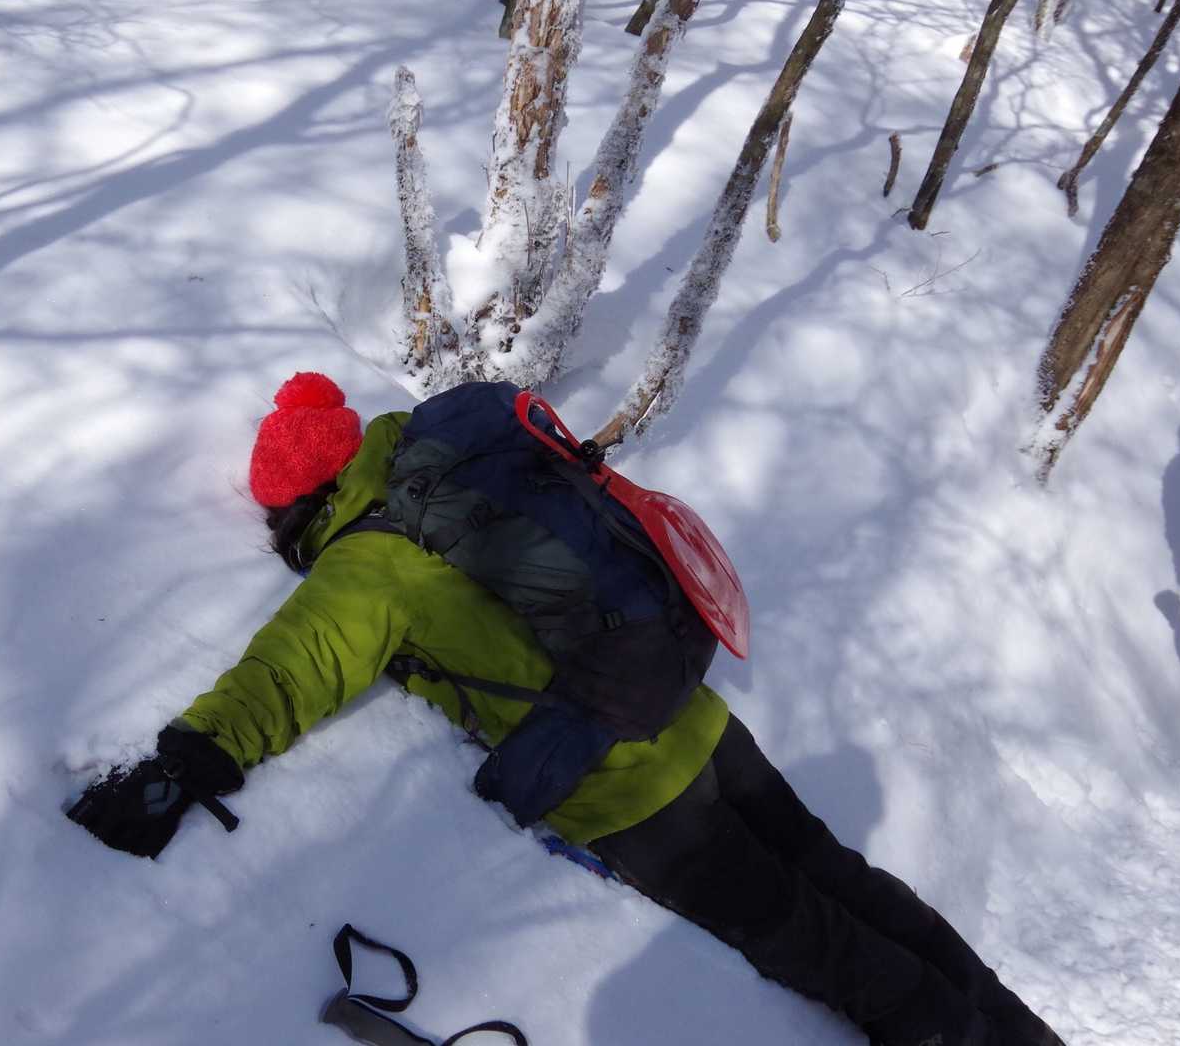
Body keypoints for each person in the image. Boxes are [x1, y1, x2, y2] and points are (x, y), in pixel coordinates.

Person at [65, 372, 1064, 1046]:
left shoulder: (370, 564)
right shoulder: (444, 458)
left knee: (814, 941)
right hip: (693, 710)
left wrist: (179, 768)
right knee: (842, 879)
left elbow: (288, 673)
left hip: (630, 787)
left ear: (304, 507)